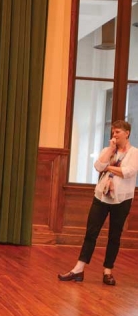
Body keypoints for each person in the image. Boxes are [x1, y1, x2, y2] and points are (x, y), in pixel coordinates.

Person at [58, 121, 138, 286]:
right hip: (101, 196)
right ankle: (78, 269)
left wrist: (109, 168)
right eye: (113, 132)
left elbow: (128, 172)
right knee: (91, 232)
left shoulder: (134, 153)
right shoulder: (107, 151)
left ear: (127, 133)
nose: (114, 135)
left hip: (122, 199)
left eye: (117, 132)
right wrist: (110, 150)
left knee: (114, 236)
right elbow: (98, 165)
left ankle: (107, 271)